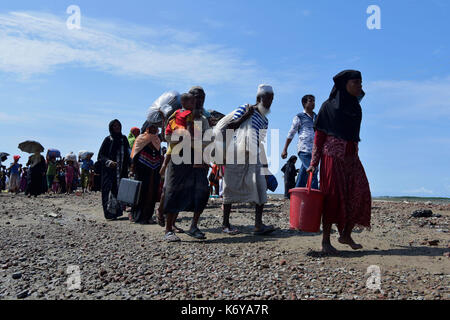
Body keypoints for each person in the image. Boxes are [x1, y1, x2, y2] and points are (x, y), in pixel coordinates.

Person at [307, 70, 371, 254]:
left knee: (361, 192)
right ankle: (325, 241)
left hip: (352, 158)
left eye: (361, 82)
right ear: (345, 85)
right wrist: (314, 163)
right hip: (332, 157)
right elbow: (319, 137)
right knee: (332, 198)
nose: (360, 86)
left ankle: (345, 234)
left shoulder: (355, 108)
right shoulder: (328, 107)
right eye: (356, 83)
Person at [221, 84, 276, 236]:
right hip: (236, 152)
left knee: (260, 185)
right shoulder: (244, 108)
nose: (270, 102)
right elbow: (230, 127)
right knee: (231, 186)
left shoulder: (265, 120)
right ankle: (225, 224)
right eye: (268, 98)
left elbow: (260, 142)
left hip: (253, 155)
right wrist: (246, 115)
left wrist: (264, 162)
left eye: (272, 99)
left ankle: (258, 225)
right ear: (259, 98)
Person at [162, 95, 211, 242]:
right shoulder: (178, 115)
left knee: (201, 192)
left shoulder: (202, 119)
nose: (197, 102)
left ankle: (193, 226)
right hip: (179, 157)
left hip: (196, 159)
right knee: (174, 191)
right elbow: (169, 136)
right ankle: (168, 229)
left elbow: (207, 140)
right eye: (193, 99)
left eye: (200, 99)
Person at [281, 94, 318, 189]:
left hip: (315, 150)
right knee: (313, 170)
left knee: (303, 174)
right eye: (311, 101)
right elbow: (291, 133)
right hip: (304, 149)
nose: (313, 103)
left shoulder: (316, 117)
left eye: (314, 101)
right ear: (304, 103)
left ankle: (296, 194)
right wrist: (285, 149)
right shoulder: (299, 117)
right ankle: (315, 197)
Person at [130, 121, 162, 224]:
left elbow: (158, 154)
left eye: (155, 127)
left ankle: (148, 216)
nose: (153, 129)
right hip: (142, 169)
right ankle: (138, 216)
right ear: (146, 128)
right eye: (151, 127)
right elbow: (135, 154)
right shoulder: (141, 138)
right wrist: (133, 167)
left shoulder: (157, 139)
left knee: (152, 193)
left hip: (155, 170)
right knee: (141, 192)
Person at [98, 119, 131, 220]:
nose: (116, 128)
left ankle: (117, 212)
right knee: (109, 191)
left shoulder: (123, 139)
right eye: (114, 126)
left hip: (121, 170)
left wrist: (131, 163)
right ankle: (109, 214)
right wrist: (109, 162)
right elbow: (101, 155)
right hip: (109, 172)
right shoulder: (108, 139)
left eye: (118, 126)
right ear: (111, 128)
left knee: (119, 191)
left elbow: (128, 152)